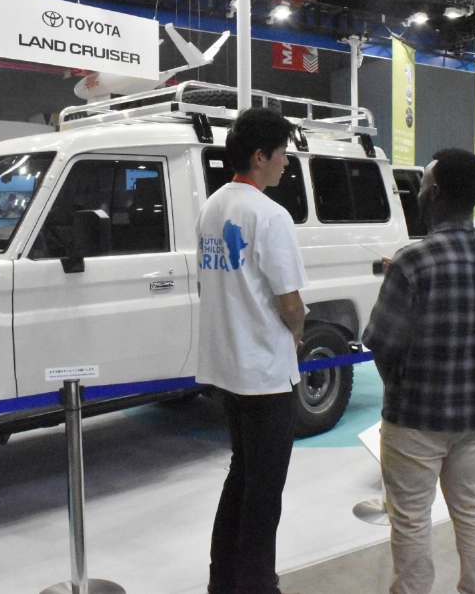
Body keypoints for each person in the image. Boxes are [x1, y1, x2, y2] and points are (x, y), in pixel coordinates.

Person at [363, 148, 475, 594]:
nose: (420, 191)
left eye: (424, 183)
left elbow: (381, 342)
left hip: (416, 417)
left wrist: (402, 388)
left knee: (409, 518)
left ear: (436, 192)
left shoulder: (412, 261)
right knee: (473, 508)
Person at [196, 107, 307, 594]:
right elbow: (290, 302)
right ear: (261, 156)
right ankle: (258, 584)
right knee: (265, 491)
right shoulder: (269, 214)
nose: (287, 163)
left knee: (240, 477)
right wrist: (298, 334)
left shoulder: (213, 205)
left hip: (227, 367)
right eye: (283, 154)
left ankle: (224, 581)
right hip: (264, 372)